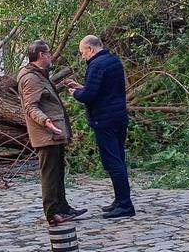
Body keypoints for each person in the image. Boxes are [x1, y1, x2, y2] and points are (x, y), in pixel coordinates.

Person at [17, 39, 86, 226]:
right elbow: (31, 107)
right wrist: (46, 121)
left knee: (57, 173)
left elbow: (46, 98)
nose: (51, 55)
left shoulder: (40, 74)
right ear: (41, 55)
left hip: (54, 133)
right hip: (46, 134)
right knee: (49, 175)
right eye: (48, 52)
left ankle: (63, 208)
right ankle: (52, 213)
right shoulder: (30, 77)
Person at [66, 35, 135, 218]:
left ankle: (125, 205)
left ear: (91, 49)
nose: (82, 57)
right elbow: (104, 90)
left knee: (113, 162)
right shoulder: (113, 61)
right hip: (118, 116)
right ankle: (120, 200)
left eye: (83, 53)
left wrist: (75, 93)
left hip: (105, 120)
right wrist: (82, 86)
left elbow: (89, 95)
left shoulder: (96, 65)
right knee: (118, 160)